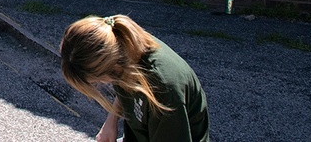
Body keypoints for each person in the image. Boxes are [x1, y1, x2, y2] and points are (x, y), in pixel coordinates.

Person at [60, 15, 209, 142]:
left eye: (95, 81)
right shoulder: (119, 43)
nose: (103, 84)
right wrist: (111, 121)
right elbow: (124, 86)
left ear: (109, 65)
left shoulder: (164, 89)